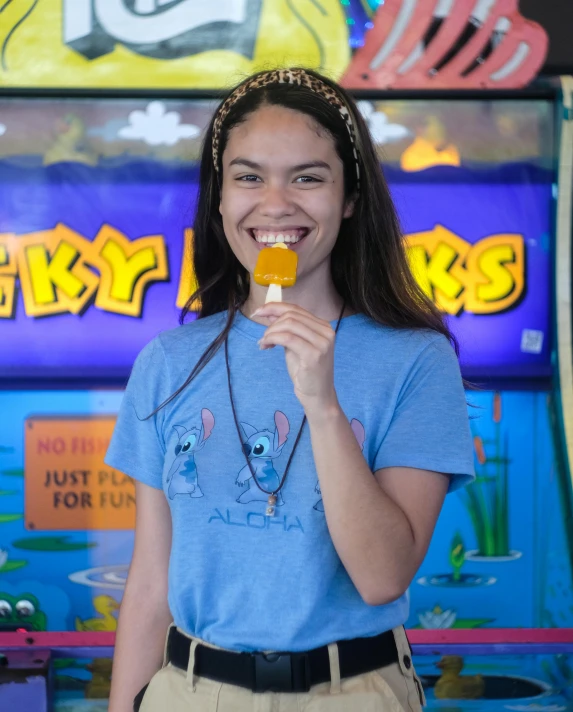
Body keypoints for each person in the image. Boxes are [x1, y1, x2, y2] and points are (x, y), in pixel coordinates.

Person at [105, 68, 475, 712]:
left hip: (352, 693)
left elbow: (382, 575)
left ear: (351, 197)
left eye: (308, 177)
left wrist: (323, 405)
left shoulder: (416, 359)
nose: (275, 204)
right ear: (219, 200)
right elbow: (151, 584)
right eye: (248, 177)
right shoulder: (167, 363)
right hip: (188, 693)